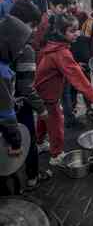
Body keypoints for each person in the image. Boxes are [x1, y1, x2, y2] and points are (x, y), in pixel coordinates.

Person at [34, 14, 93, 166]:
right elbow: (79, 80)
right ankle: (56, 155)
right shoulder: (61, 52)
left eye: (77, 30)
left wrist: (74, 65)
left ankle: (39, 142)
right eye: (72, 31)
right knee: (56, 122)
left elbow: (64, 66)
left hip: (40, 90)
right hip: (49, 94)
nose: (77, 33)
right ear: (61, 32)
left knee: (44, 117)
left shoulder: (52, 45)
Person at [9, 0, 51, 189]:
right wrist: (41, 108)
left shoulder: (5, 40)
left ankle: (13, 177)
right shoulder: (25, 49)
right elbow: (27, 87)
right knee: (28, 138)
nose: (34, 31)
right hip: (20, 103)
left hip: (7, 102)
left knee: (10, 142)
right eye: (32, 26)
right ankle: (33, 177)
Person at [0, 15, 32, 195]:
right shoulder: (2, 72)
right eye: (18, 47)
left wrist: (10, 99)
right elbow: (5, 114)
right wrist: (16, 141)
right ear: (7, 43)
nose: (20, 52)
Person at [63, 0, 90, 125]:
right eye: (69, 4)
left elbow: (86, 38)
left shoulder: (83, 16)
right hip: (69, 59)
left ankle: (89, 108)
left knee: (86, 83)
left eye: (74, 2)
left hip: (82, 57)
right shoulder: (63, 19)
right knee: (70, 89)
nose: (73, 6)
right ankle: (71, 115)